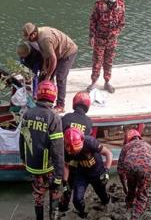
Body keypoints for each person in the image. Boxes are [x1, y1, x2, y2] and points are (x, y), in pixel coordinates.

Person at [19, 80, 64, 220]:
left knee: (38, 197)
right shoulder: (54, 118)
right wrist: (59, 174)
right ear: (53, 96)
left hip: (33, 166)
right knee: (55, 193)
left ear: (38, 95)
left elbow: (22, 140)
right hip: (48, 168)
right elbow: (58, 150)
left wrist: (23, 160)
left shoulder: (27, 114)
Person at [22, 22, 78, 113]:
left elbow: (53, 59)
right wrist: (44, 66)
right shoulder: (39, 36)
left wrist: (49, 75)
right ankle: (45, 101)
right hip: (57, 52)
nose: (29, 40)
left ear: (34, 34)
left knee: (60, 77)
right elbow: (45, 52)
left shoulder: (44, 39)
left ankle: (60, 105)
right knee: (44, 75)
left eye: (28, 37)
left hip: (68, 52)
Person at [63, 127, 113, 219]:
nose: (74, 153)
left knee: (103, 197)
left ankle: (107, 203)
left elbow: (108, 153)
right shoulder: (66, 149)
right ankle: (83, 214)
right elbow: (66, 165)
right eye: (73, 152)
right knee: (77, 200)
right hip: (82, 174)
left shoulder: (90, 142)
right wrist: (65, 183)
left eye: (77, 151)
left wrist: (106, 171)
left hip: (97, 172)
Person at [87, 0, 126, 94]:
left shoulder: (121, 5)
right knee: (97, 61)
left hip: (112, 40)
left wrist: (116, 33)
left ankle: (107, 81)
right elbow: (93, 20)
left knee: (109, 61)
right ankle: (94, 82)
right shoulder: (99, 4)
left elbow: (122, 22)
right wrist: (91, 36)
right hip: (99, 38)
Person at [59, 91, 93, 213]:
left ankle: (62, 208)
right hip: (79, 160)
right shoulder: (89, 122)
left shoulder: (66, 117)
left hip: (64, 157)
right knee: (73, 185)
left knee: (65, 186)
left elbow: (58, 138)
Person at [117, 129, 151, 220]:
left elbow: (120, 171)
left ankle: (128, 206)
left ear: (127, 139)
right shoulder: (148, 145)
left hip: (129, 167)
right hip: (145, 168)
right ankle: (135, 217)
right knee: (142, 195)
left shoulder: (126, 147)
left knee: (131, 189)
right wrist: (147, 181)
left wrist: (124, 187)